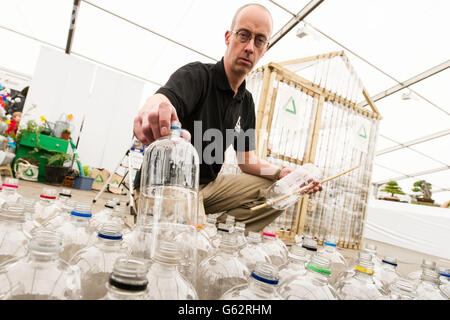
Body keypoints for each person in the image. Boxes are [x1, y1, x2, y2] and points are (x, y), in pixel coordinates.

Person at [133, 3, 321, 233]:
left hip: (207, 186)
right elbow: (163, 99)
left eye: (259, 40)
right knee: (186, 246)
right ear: (228, 38)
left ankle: (225, 235)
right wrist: (150, 112)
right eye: (244, 35)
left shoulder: (247, 103)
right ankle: (196, 234)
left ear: (265, 49)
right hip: (168, 185)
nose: (250, 47)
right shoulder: (197, 76)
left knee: (281, 188)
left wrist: (283, 174)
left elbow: (247, 161)